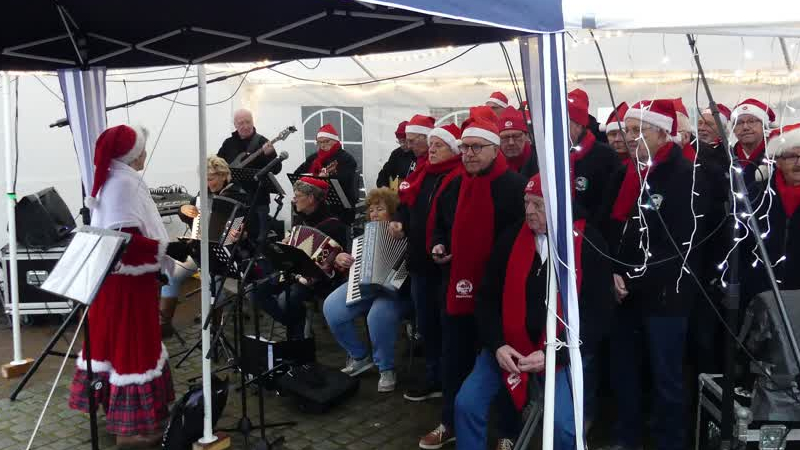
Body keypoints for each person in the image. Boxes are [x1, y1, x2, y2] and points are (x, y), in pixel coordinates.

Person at [456, 174, 614, 450]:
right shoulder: (510, 238)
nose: (529, 211)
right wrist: (497, 345)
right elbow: (487, 299)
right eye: (527, 202)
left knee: (563, 428)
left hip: (563, 351)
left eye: (538, 205)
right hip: (508, 349)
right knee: (466, 404)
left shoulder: (588, 242)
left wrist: (557, 353)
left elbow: (599, 314)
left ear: (558, 206)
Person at [69, 124, 187, 447]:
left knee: (117, 348)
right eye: (141, 151)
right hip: (127, 285)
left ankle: (121, 418)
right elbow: (124, 243)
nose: (145, 156)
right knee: (131, 348)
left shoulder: (114, 178)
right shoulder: (122, 183)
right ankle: (132, 430)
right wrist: (164, 249)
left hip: (119, 283)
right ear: (132, 155)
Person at [419, 109, 526, 450]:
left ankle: (509, 431)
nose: (469, 154)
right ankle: (449, 421)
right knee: (455, 360)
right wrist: (439, 245)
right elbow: (440, 226)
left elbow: (521, 241)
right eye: (465, 147)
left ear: (495, 149)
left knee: (506, 362)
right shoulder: (454, 185)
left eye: (477, 147)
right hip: (457, 289)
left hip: (500, 295)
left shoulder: (514, 187)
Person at [606, 99, 710, 450]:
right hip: (624, 292)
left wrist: (630, 279)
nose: (631, 138)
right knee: (625, 372)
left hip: (666, 295)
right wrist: (613, 274)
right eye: (628, 130)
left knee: (667, 379)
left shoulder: (683, 174)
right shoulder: (627, 172)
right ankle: (627, 435)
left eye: (640, 131)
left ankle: (670, 442)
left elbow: (680, 247)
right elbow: (613, 230)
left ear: (664, 133)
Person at [391, 122, 464, 403]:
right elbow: (407, 206)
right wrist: (399, 221)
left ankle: (446, 379)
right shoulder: (423, 174)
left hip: (443, 266)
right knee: (427, 324)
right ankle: (434, 375)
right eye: (430, 145)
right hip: (420, 262)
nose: (431, 150)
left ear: (453, 149)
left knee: (444, 326)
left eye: (438, 145)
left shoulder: (457, 177)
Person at [322, 188, 410, 392]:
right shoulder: (366, 236)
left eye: (380, 209)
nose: (374, 214)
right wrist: (342, 258)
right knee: (332, 307)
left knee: (377, 315)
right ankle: (359, 356)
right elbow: (354, 264)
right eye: (371, 210)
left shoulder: (406, 231)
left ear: (393, 212)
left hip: (395, 292)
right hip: (366, 285)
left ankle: (386, 368)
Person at [159, 156, 246, 337]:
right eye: (205, 179)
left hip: (224, 255)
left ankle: (214, 330)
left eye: (211, 179)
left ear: (224, 176)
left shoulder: (239, 196)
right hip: (199, 249)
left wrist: (239, 233)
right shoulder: (202, 195)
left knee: (212, 283)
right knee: (171, 275)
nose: (208, 183)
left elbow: (245, 228)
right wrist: (182, 209)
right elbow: (188, 213)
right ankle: (165, 324)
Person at [255, 177, 347, 340]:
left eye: (297, 195)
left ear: (311, 198)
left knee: (286, 300)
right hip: (293, 273)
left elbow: (336, 267)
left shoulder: (334, 225)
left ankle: (297, 342)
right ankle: (296, 327)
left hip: (318, 281)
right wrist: (285, 245)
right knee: (255, 291)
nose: (293, 199)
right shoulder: (301, 218)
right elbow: (294, 246)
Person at [740, 123, 800, 304]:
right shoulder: (758, 194)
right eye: (791, 156)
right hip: (763, 292)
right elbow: (743, 243)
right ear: (778, 161)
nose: (799, 163)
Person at [216, 108, 281, 241]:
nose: (245, 126)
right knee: (233, 235)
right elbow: (218, 164)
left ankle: (258, 260)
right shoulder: (228, 143)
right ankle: (236, 257)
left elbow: (277, 169)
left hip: (258, 201)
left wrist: (269, 156)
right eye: (241, 123)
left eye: (248, 122)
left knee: (259, 238)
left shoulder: (263, 142)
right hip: (234, 201)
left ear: (253, 122)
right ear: (235, 124)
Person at [567, 88, 623, 226]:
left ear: (579, 125)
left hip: (593, 235)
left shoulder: (606, 157)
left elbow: (609, 205)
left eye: (565, 122)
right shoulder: (551, 156)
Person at [294, 123, 359, 222]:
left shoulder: (346, 159)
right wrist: (313, 178)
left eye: (326, 141)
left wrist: (327, 179)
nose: (323, 145)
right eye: (319, 142)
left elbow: (346, 183)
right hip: (314, 206)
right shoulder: (313, 158)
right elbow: (297, 174)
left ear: (335, 141)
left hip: (339, 207)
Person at [731, 98, 776, 186]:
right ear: (733, 129)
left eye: (751, 121)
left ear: (764, 126)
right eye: (739, 123)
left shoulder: (775, 157)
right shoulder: (728, 156)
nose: (745, 127)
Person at [499, 106, 538, 177]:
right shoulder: (494, 165)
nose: (511, 142)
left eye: (516, 136)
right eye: (505, 137)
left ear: (526, 136)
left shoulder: (541, 161)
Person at [377, 120, 416, 190]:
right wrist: (383, 185)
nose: (402, 145)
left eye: (404, 141)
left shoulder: (418, 153)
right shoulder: (397, 153)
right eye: (399, 141)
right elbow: (385, 173)